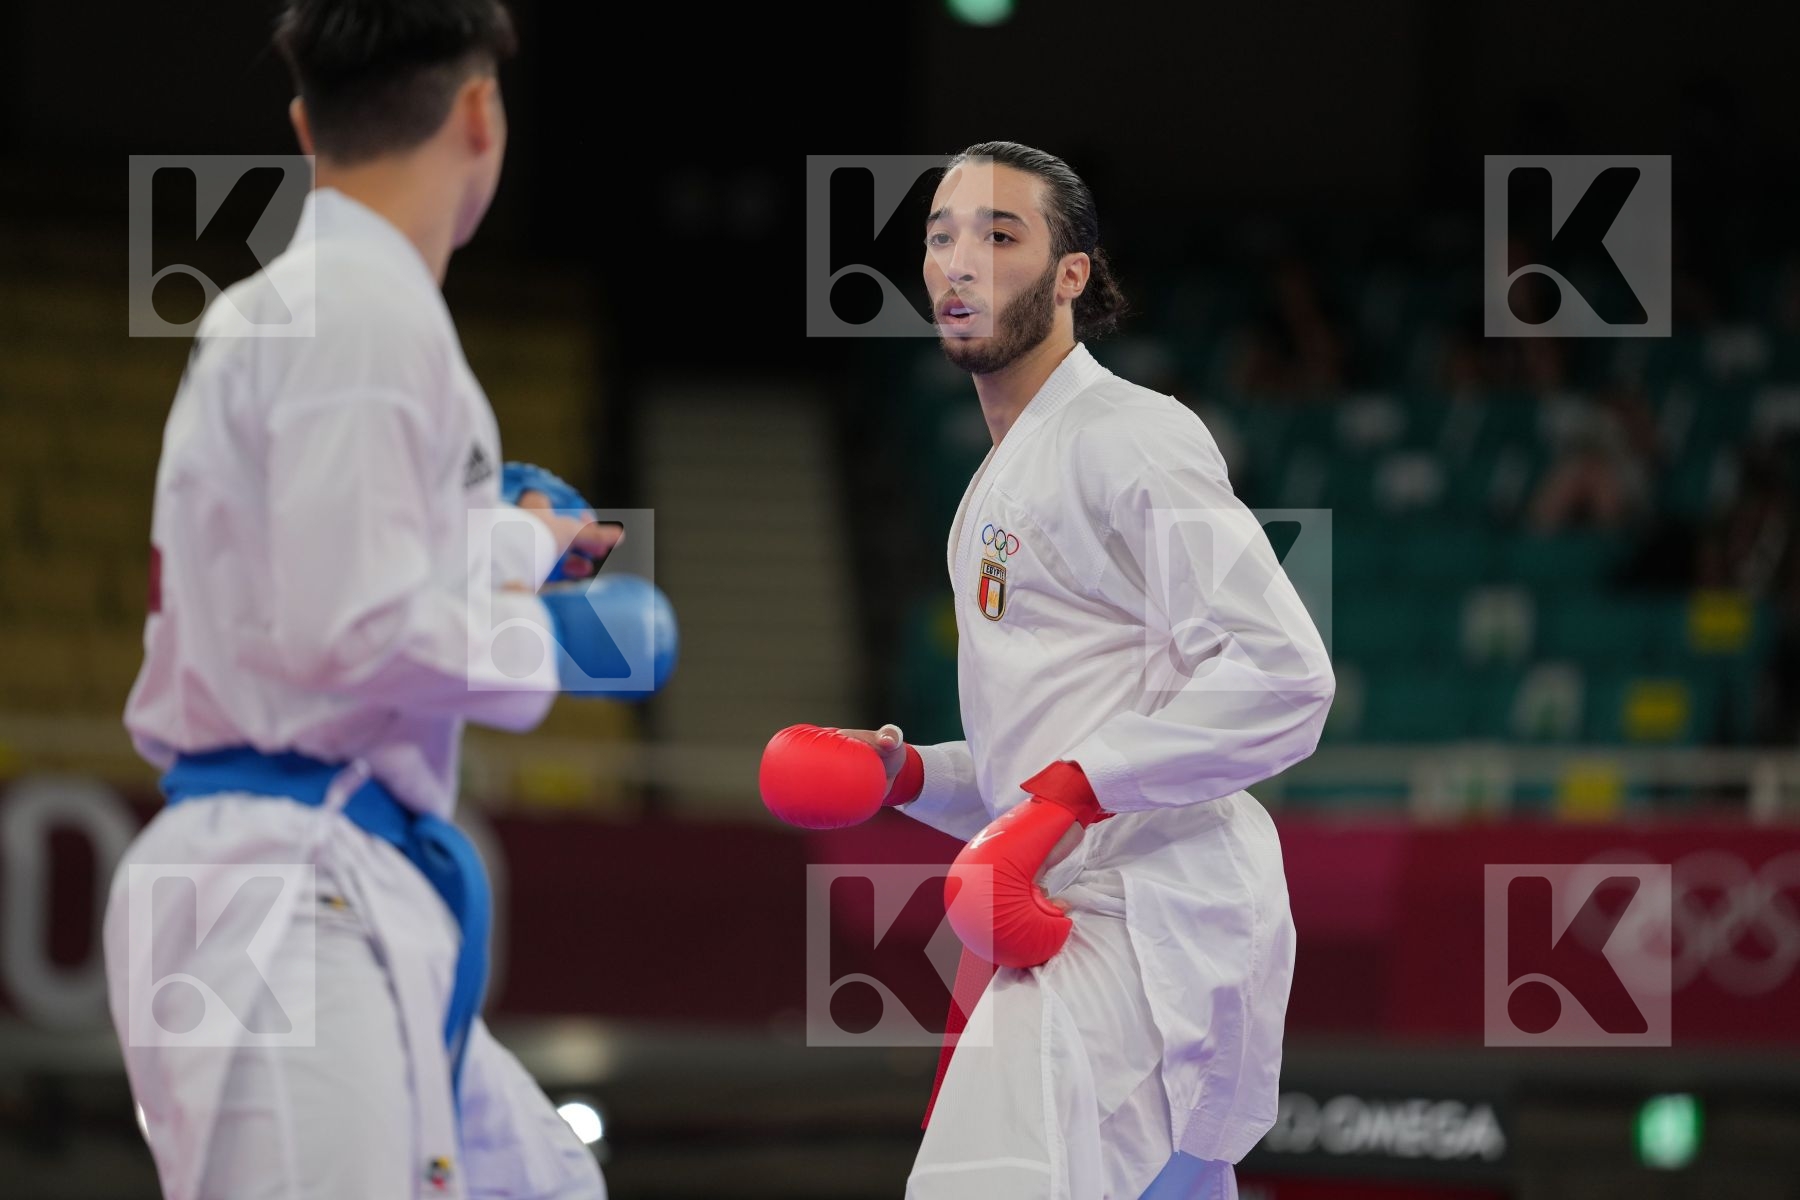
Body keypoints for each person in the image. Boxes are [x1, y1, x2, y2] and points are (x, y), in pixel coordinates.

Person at [102, 3, 618, 1196]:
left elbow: (330, 579)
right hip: (285, 891)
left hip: (325, 869)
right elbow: (356, 624)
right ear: (481, 113)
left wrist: (507, 542)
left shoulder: (314, 306)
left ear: (302, 128)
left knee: (550, 1180)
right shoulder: (364, 311)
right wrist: (531, 625)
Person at [763, 142, 1335, 1199]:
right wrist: (906, 779)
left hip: (1147, 916)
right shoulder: (990, 485)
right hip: (1081, 911)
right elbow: (1026, 769)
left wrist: (1064, 799)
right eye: (939, 237)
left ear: (1073, 273)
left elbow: (1285, 674)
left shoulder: (1131, 434)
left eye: (998, 234)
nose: (958, 263)